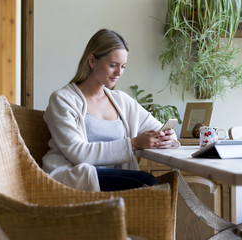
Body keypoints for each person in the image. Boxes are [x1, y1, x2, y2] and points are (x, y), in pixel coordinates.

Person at [42, 29, 179, 192]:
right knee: (147, 183)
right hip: (74, 177)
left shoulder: (122, 101)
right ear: (92, 61)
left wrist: (167, 137)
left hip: (111, 178)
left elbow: (160, 128)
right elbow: (79, 153)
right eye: (113, 65)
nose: (119, 73)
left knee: (157, 185)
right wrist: (133, 144)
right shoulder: (63, 99)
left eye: (123, 67)